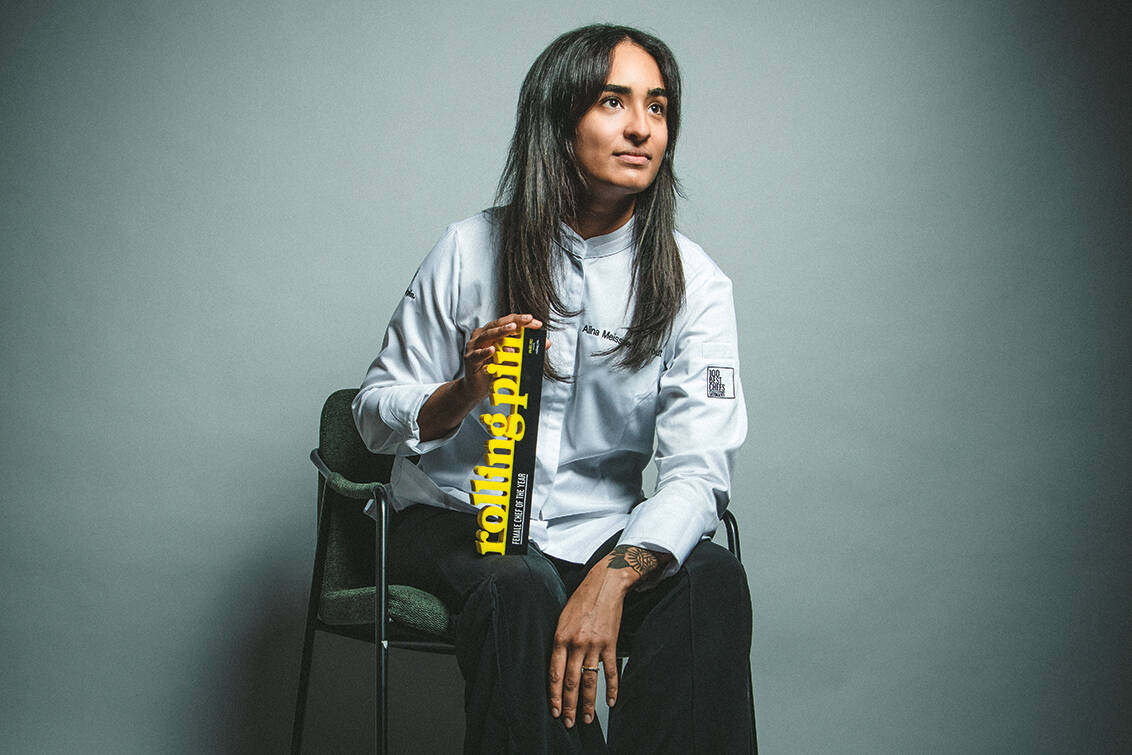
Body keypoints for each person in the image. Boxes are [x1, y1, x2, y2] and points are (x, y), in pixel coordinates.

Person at [353, 24, 754, 753]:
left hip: (598, 533)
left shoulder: (694, 282)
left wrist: (614, 576)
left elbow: (699, 472)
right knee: (519, 586)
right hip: (456, 523)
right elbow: (373, 417)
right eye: (613, 101)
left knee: (711, 580)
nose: (641, 128)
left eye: (658, 107)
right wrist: (461, 392)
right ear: (559, 119)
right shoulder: (468, 248)